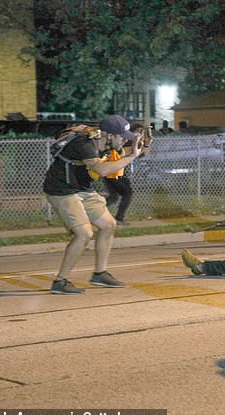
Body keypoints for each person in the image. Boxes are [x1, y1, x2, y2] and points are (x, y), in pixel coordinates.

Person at [43, 114, 143, 294]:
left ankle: (99, 274)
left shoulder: (103, 143)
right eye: (122, 138)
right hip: (61, 189)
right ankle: (60, 281)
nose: (124, 142)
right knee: (84, 233)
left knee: (108, 224)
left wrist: (136, 148)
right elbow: (102, 170)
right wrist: (133, 156)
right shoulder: (85, 144)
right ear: (110, 135)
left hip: (82, 187)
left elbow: (112, 162)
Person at [103, 123, 147, 225]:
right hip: (115, 172)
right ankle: (119, 218)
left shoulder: (129, 141)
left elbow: (143, 153)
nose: (140, 134)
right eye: (139, 132)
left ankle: (92, 209)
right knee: (127, 193)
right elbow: (130, 153)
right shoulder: (124, 142)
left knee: (114, 197)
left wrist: (144, 144)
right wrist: (137, 143)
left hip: (117, 172)